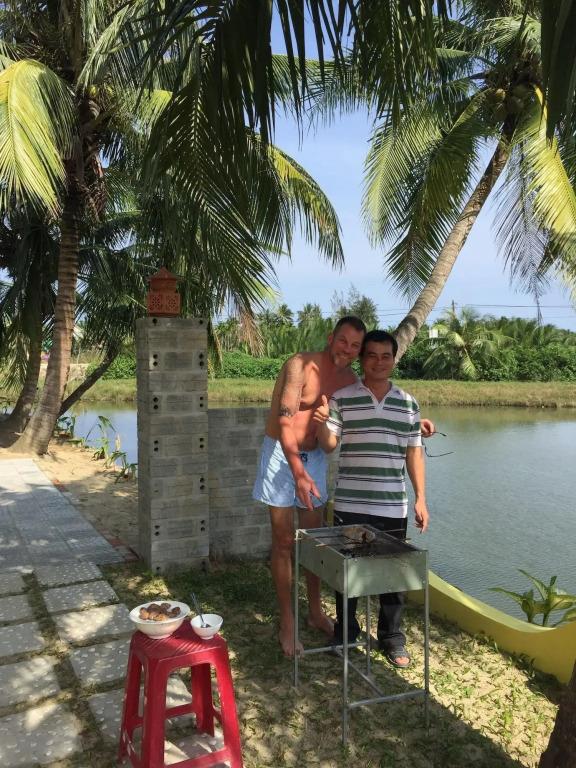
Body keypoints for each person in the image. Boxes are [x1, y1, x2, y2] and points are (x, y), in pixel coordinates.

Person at [252, 317, 434, 657]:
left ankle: (315, 611)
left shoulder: (350, 381)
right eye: (343, 341)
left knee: (315, 541)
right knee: (283, 541)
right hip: (281, 454)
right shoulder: (300, 365)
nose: (347, 350)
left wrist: (416, 422)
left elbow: (374, 406)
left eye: (354, 346)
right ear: (330, 337)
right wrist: (297, 472)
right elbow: (284, 420)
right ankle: (287, 622)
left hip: (314, 458)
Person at [314, 329, 429, 668]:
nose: (379, 362)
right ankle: (346, 632)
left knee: (393, 576)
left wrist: (421, 498)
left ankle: (392, 638)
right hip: (350, 503)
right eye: (372, 356)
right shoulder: (342, 398)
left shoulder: (408, 403)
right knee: (346, 573)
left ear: (394, 360)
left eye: (386, 356)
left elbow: (414, 453)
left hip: (392, 505)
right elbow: (328, 446)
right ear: (362, 360)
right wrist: (322, 422)